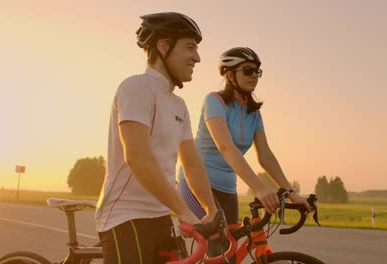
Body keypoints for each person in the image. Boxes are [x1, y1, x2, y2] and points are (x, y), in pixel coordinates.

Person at [95, 12, 218, 264]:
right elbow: (137, 156)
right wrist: (183, 210)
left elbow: (191, 163)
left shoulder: (179, 105)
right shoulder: (136, 88)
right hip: (125, 216)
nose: (197, 57)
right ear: (163, 46)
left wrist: (211, 209)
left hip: (161, 215)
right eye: (190, 47)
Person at [178, 47, 312, 227]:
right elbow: (226, 147)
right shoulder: (214, 101)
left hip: (227, 187)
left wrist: (290, 193)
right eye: (248, 70)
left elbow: (266, 156)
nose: (254, 75)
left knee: (230, 249)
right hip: (197, 185)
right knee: (218, 242)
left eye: (257, 71)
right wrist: (260, 189)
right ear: (229, 74)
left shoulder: (254, 113)